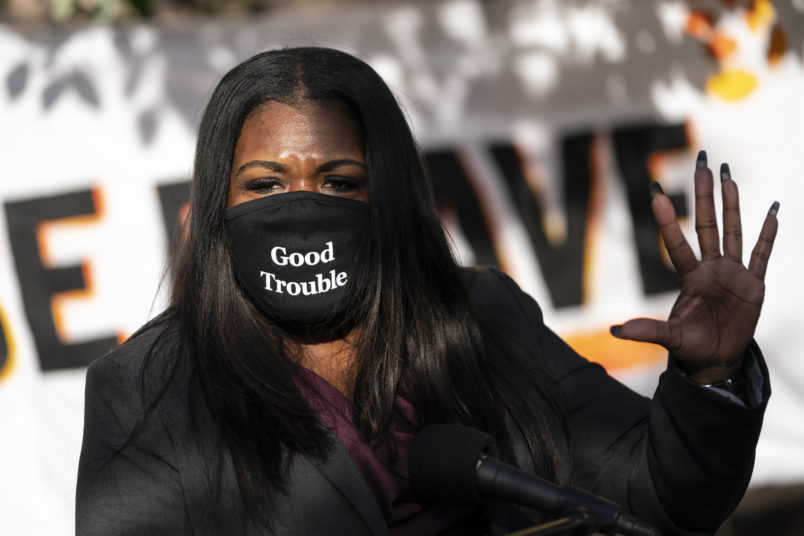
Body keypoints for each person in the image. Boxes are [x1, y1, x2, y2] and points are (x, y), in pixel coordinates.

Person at [75, 47, 778, 536]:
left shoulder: (482, 317)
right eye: (265, 184)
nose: (302, 206)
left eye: (339, 181)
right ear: (216, 203)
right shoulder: (146, 388)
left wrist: (709, 377)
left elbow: (658, 497)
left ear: (389, 195)